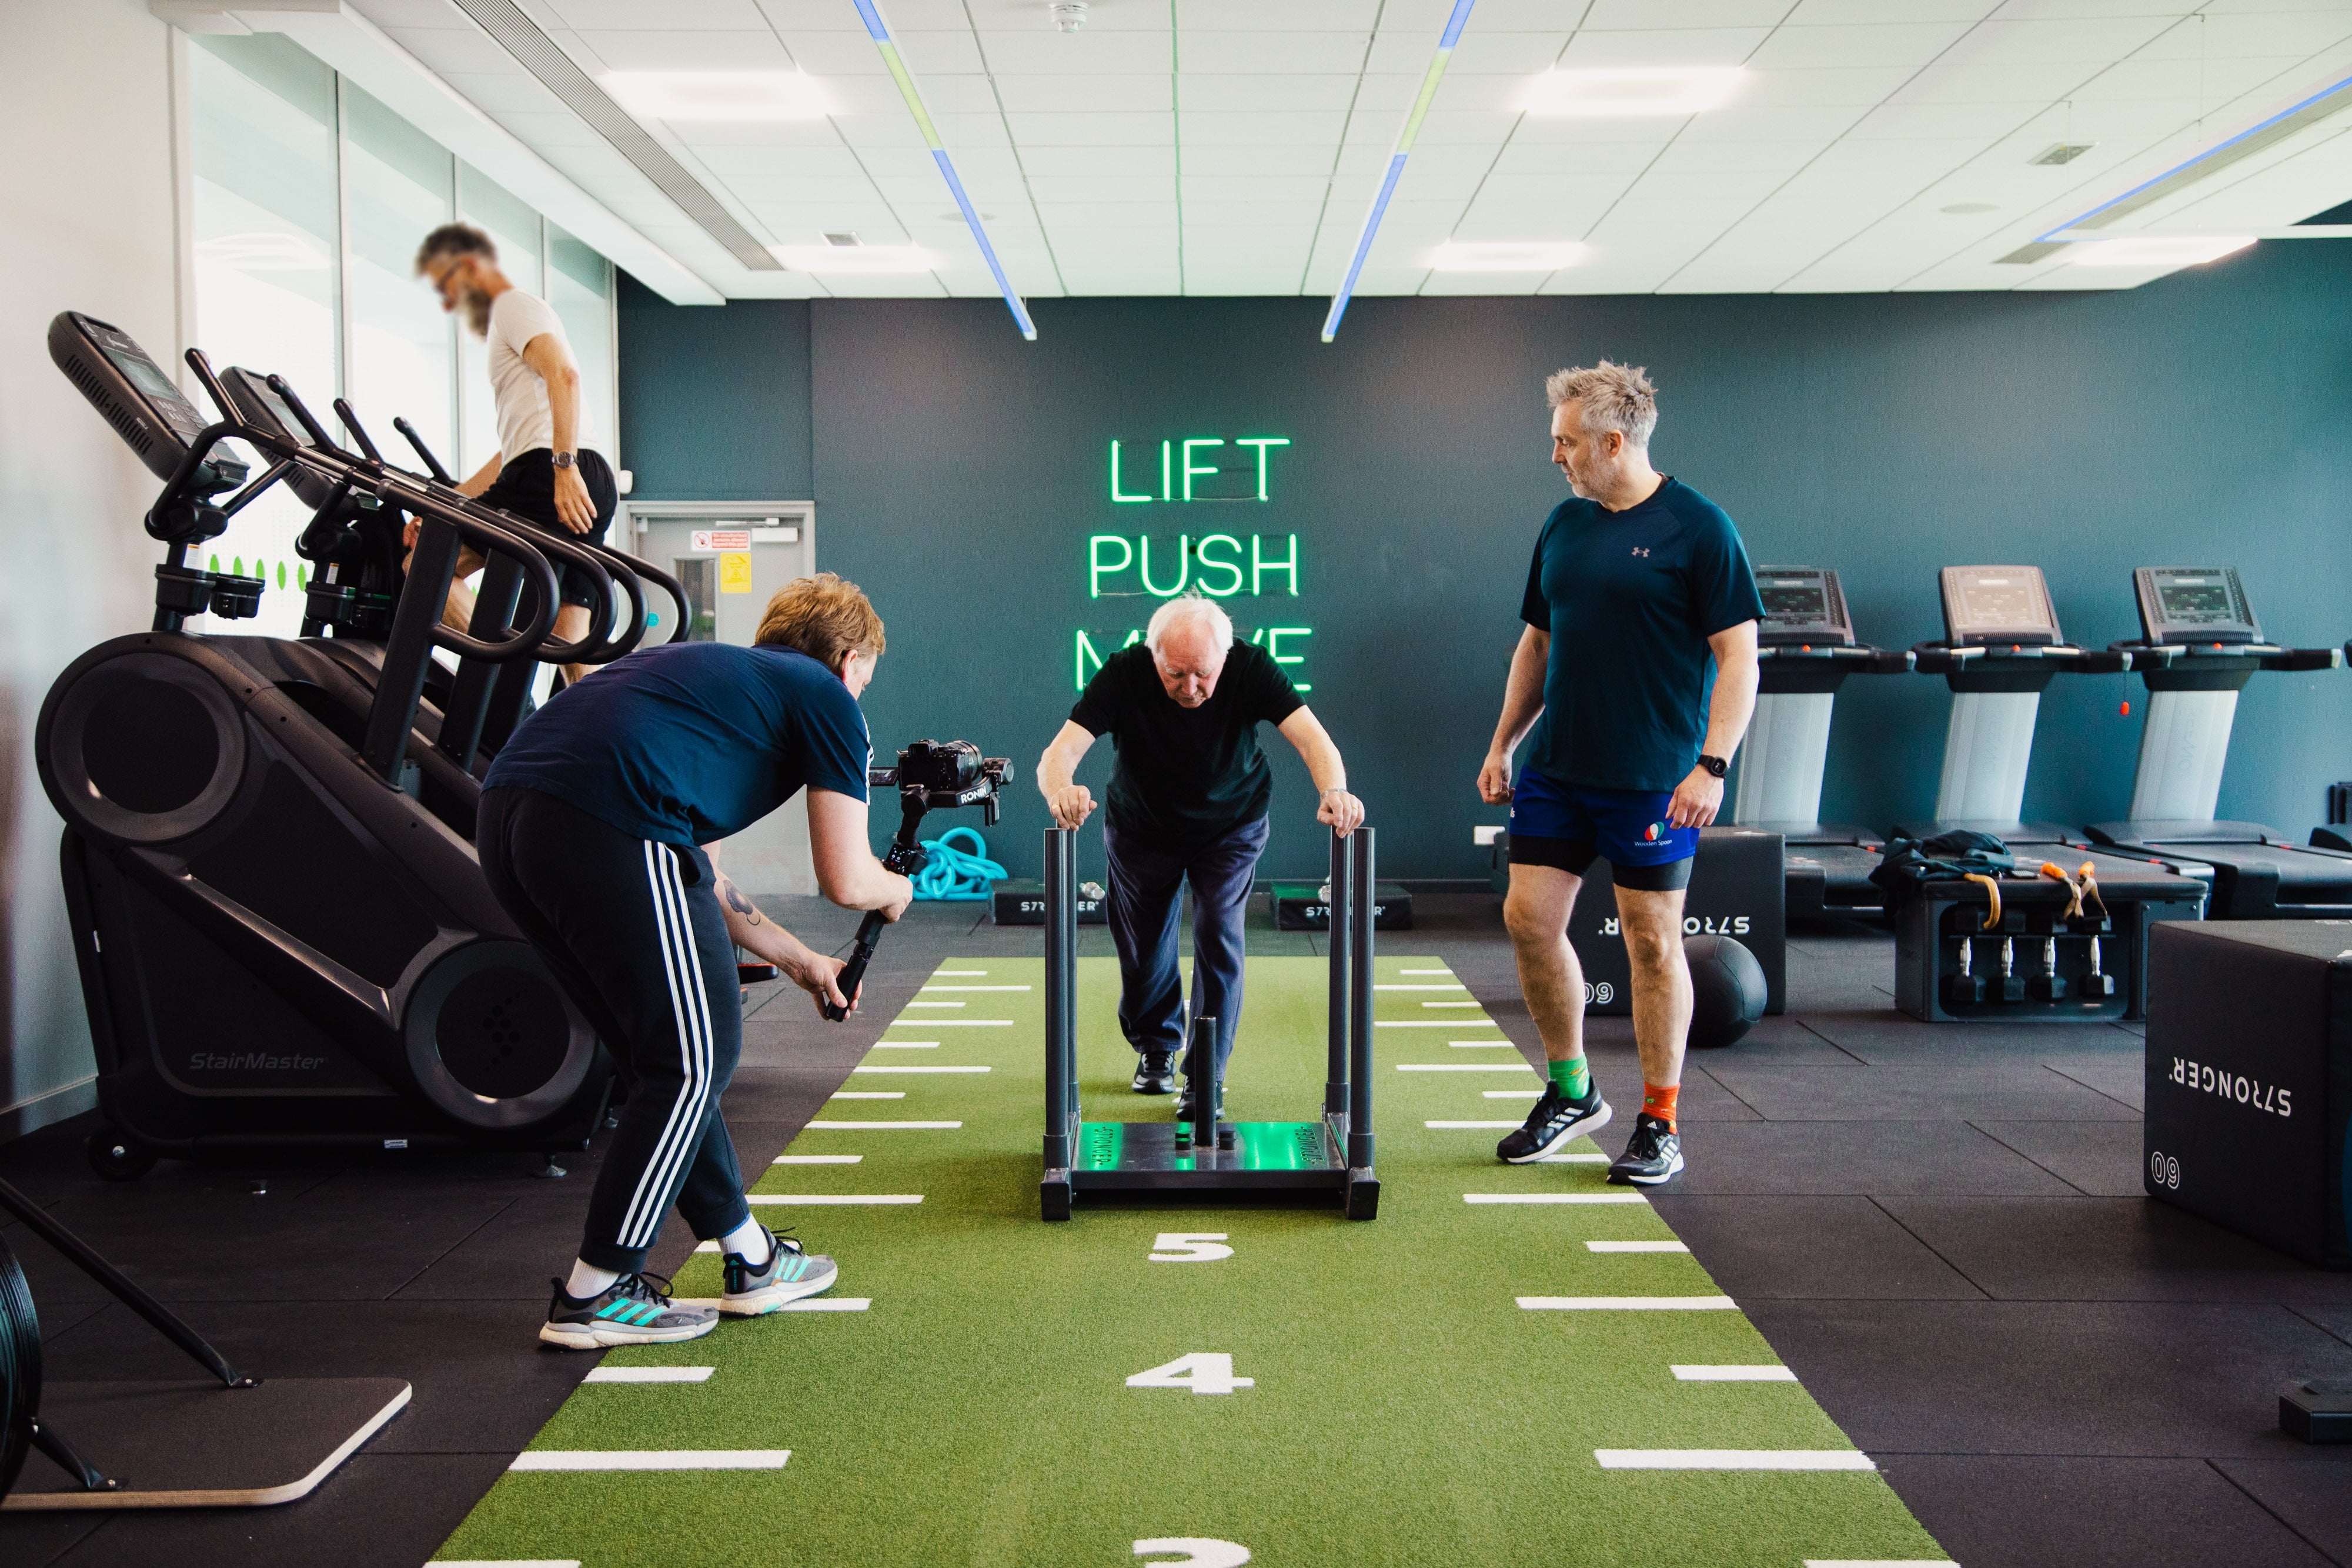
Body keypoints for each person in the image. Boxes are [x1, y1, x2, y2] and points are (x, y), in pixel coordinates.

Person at [479, 573, 914, 1348]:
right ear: (849, 660)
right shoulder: (826, 695)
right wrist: (897, 887)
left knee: (668, 1061)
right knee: (691, 1059)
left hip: (512, 816)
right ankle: (598, 1288)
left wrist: (802, 960)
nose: (861, 693)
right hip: (611, 817)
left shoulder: (710, 680)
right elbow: (847, 879)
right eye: (866, 679)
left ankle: (750, 1257)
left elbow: (701, 878)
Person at [1478, 362, 1761, 1186]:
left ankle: (1660, 1120)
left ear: (1612, 440)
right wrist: (1503, 743)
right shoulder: (1565, 524)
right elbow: (1537, 643)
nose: (1556, 457)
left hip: (1653, 777)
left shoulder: (1699, 527)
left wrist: (1712, 764)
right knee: (1528, 919)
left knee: (1650, 941)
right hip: (1557, 767)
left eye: (1567, 443)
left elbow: (1739, 654)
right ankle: (1572, 1090)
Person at [1036, 593, 1365, 1112]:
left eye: (1203, 674)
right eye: (1175, 674)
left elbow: (1312, 739)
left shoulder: (1251, 665)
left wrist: (1335, 791)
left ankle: (1206, 1074)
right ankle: (1158, 1045)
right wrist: (1061, 789)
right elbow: (1060, 753)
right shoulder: (1124, 671)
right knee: (1143, 947)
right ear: (1154, 657)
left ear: (1224, 657)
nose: (1190, 688)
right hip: (1142, 826)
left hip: (1231, 824)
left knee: (1218, 932)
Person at [412, 222, 614, 687]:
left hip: (551, 472)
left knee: (428, 565)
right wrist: (446, 502)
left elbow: (564, 374)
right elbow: (510, 452)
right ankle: (601, 735)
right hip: (586, 474)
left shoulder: (511, 305)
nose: (450, 301)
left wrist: (562, 468)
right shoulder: (517, 319)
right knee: (571, 635)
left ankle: (502, 675)